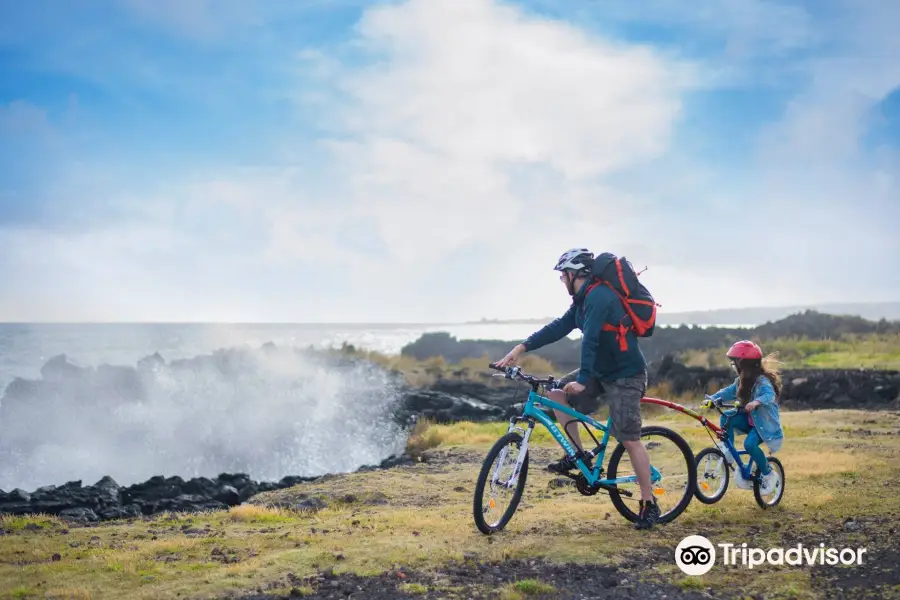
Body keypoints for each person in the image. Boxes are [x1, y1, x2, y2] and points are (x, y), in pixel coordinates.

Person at [493, 248, 660, 530]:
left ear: (574, 274)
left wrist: (583, 379)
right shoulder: (582, 300)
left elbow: (591, 339)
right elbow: (559, 327)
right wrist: (521, 347)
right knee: (557, 393)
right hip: (600, 370)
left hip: (626, 374)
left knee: (629, 438)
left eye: (562, 276)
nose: (561, 281)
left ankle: (649, 502)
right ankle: (578, 455)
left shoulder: (599, 296)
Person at [708, 340, 784, 495]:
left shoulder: (762, 381)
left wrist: (756, 402)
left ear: (745, 365)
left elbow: (769, 395)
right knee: (727, 417)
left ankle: (769, 473)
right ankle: (728, 450)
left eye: (735, 363)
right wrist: (712, 398)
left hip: (762, 426)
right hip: (750, 421)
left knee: (750, 445)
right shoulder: (742, 380)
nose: (734, 366)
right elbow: (729, 391)